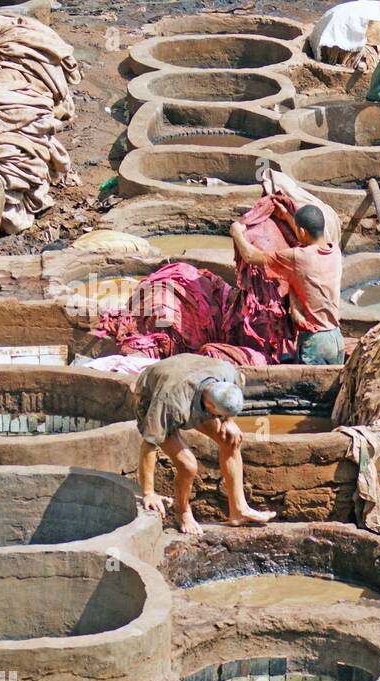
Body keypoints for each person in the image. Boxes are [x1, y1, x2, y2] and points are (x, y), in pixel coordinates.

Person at [136, 353, 275, 535]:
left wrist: (227, 421)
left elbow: (233, 393)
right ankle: (183, 512)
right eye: (217, 415)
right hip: (152, 396)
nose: (216, 419)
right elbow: (149, 445)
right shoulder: (170, 403)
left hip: (190, 375)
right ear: (208, 407)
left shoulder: (229, 376)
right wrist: (149, 493)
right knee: (188, 466)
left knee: (230, 440)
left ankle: (238, 511)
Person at [230, 204, 346, 365]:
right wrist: (286, 216)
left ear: (302, 231)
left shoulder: (298, 257)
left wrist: (236, 234)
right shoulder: (334, 251)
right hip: (336, 339)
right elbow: (308, 235)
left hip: (315, 342)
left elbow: (250, 256)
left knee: (305, 390)